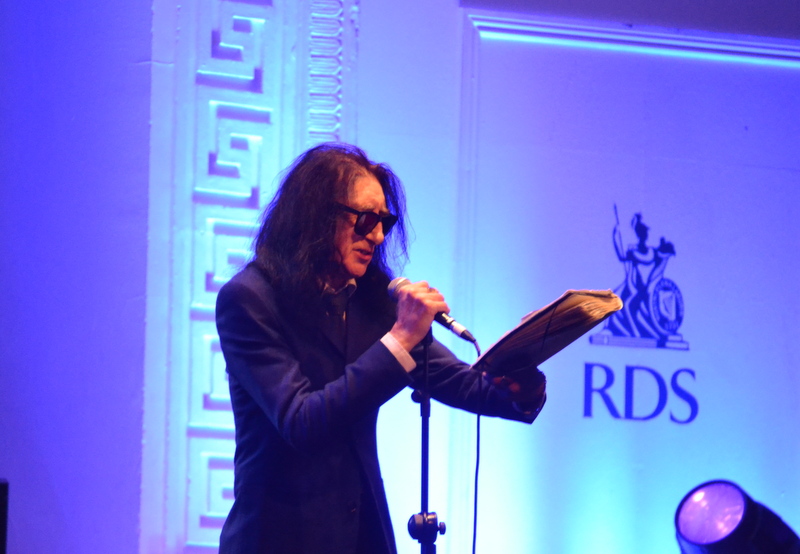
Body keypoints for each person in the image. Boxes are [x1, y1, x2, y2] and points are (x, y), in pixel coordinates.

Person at [215, 143, 547, 553]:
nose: (377, 236)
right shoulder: (250, 299)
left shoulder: (373, 300)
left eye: (384, 221)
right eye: (365, 220)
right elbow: (301, 422)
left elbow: (465, 385)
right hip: (277, 540)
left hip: (363, 538)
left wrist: (523, 368)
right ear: (316, 215)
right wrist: (400, 338)